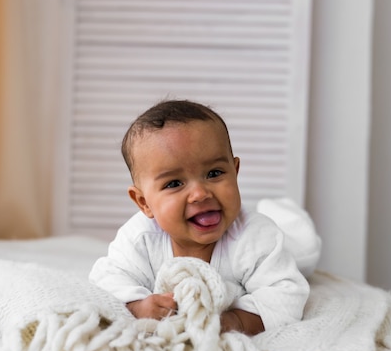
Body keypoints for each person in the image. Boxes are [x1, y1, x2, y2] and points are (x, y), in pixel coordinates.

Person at [88, 100, 310, 336]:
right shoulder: (140, 238)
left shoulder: (256, 237)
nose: (200, 194)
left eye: (214, 173)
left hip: (288, 244)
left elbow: (286, 295)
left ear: (235, 172)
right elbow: (105, 279)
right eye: (174, 183)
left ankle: (285, 214)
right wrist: (138, 305)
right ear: (144, 203)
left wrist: (236, 321)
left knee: (303, 249)